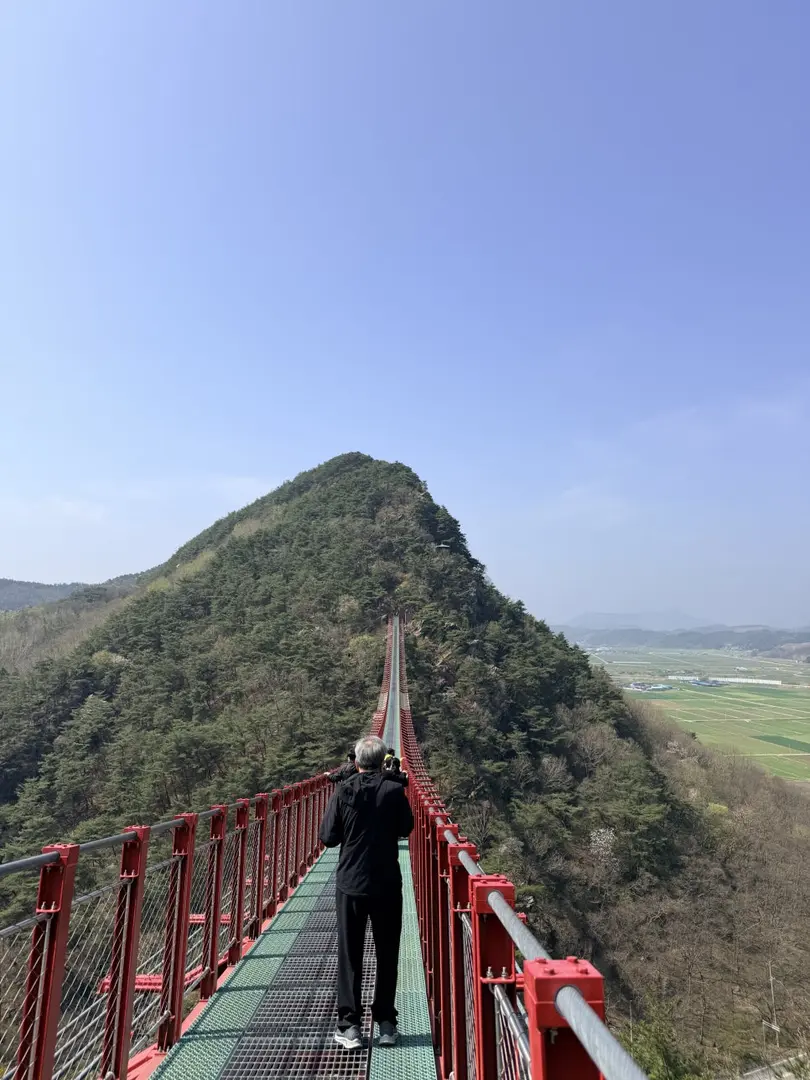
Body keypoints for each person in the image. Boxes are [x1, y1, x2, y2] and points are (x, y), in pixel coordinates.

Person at [319, 734, 414, 1050]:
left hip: (351, 885)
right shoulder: (394, 790)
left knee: (350, 956)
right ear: (382, 762)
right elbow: (405, 828)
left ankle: (350, 1028)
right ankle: (386, 1024)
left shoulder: (343, 790)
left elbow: (328, 837)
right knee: (387, 955)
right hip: (386, 884)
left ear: (356, 762)